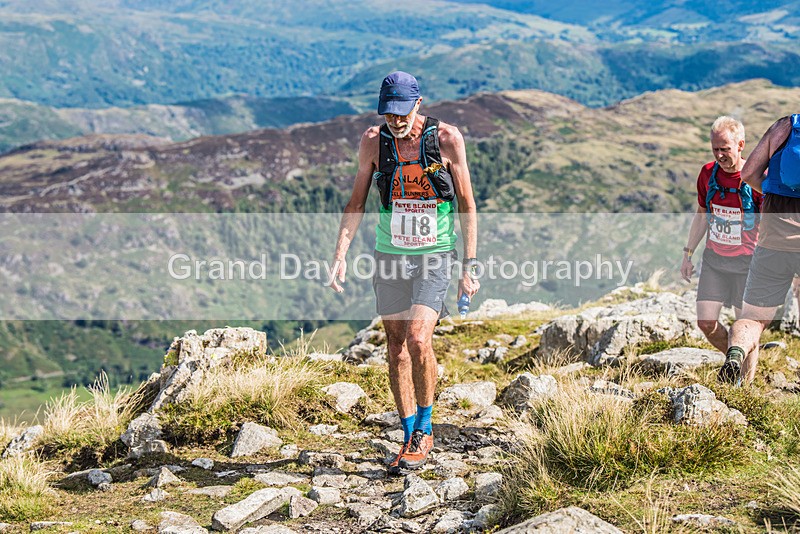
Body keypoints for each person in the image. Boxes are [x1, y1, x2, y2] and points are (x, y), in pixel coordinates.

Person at [329, 71, 479, 471]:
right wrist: (341, 252)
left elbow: (466, 203)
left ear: (418, 104)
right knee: (394, 347)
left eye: (401, 112)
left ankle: (426, 428)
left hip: (434, 255)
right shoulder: (373, 142)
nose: (395, 120)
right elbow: (356, 201)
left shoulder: (446, 139)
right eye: (387, 113)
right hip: (389, 255)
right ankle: (408, 429)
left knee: (417, 338)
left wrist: (469, 265)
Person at [723, 114, 800, 385]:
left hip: (772, 242)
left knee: (753, 319)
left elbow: (747, 174)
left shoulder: (785, 127)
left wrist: (768, 191)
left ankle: (736, 354)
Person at [680, 117, 762, 357]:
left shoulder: (756, 178)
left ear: (740, 145)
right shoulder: (707, 174)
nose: (719, 155)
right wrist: (688, 253)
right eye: (715, 149)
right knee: (705, 323)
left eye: (725, 149)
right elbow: (702, 214)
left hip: (747, 263)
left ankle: (743, 387)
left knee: (744, 327)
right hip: (714, 260)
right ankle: (734, 359)